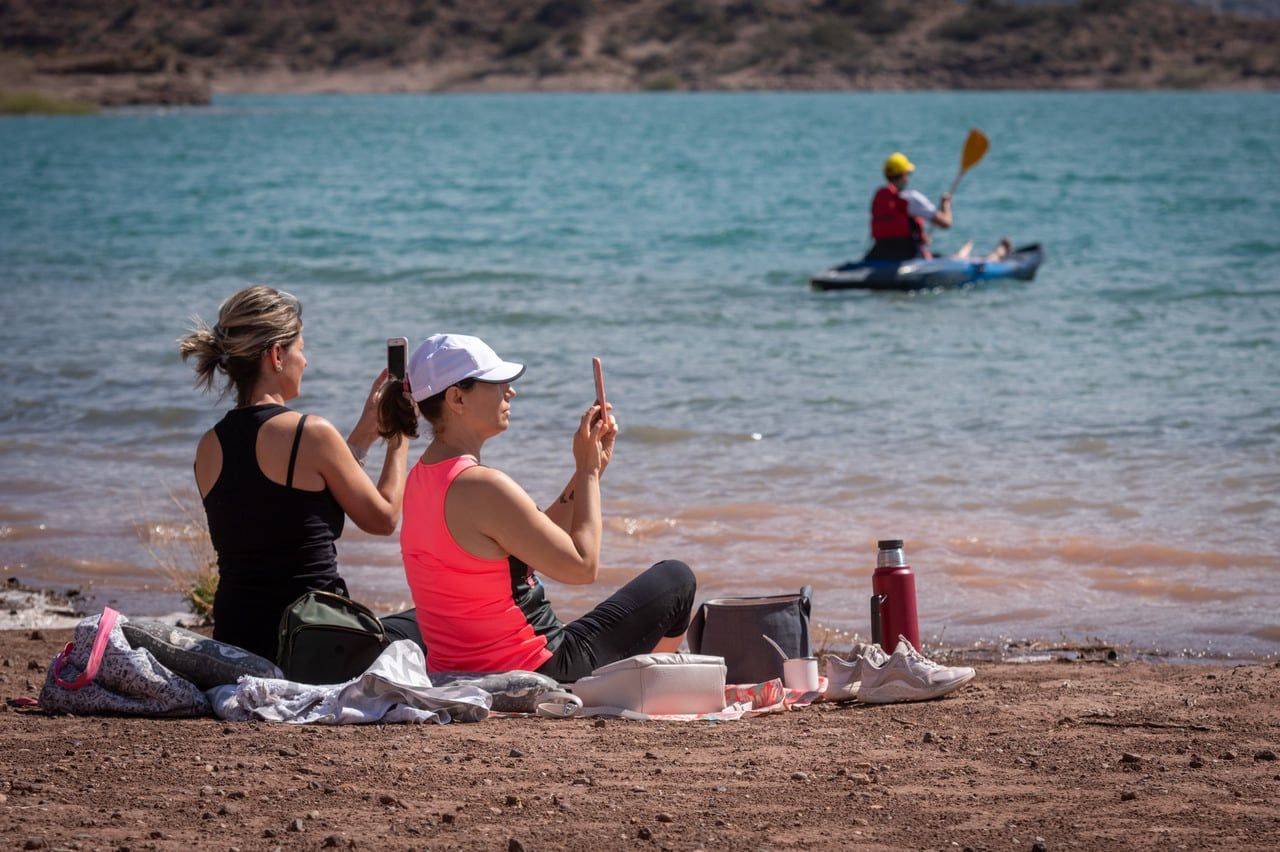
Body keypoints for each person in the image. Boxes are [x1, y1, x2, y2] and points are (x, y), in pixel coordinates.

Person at [378, 333, 696, 682]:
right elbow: (582, 567)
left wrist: (586, 474)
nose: (509, 391)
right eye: (497, 383)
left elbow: (527, 541)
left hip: (458, 669)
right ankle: (650, 684)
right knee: (677, 579)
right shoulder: (483, 485)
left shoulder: (422, 478)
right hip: (542, 666)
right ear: (457, 398)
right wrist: (587, 472)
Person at [178, 285, 408, 660]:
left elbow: (291, 505)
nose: (306, 361)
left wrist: (367, 431)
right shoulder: (311, 433)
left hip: (237, 641)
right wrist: (399, 436)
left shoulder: (209, 445)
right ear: (276, 355)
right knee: (424, 626)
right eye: (301, 349)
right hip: (311, 642)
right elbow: (383, 518)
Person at [865, 151, 953, 262]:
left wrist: (921, 238)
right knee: (937, 257)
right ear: (904, 175)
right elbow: (946, 223)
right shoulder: (911, 198)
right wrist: (946, 204)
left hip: (879, 252)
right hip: (907, 255)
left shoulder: (880, 197)